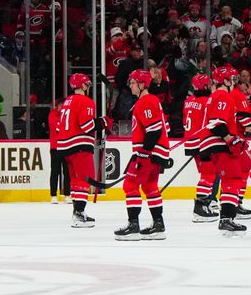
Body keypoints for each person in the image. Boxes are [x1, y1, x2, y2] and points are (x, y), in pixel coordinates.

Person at [114, 69, 171, 240]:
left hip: (149, 153)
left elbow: (154, 129)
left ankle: (133, 226)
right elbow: (164, 128)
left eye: (133, 82)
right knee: (150, 187)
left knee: (130, 185)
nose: (130, 85)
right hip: (156, 152)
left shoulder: (146, 101)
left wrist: (145, 152)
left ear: (142, 84)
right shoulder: (149, 101)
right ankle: (158, 225)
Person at [197, 67, 249, 235]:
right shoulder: (223, 95)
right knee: (233, 180)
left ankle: (226, 218)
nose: (234, 82)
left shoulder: (215, 96)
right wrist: (230, 139)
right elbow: (216, 123)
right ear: (224, 81)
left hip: (209, 145)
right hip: (219, 144)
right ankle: (226, 219)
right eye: (231, 79)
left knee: (227, 180)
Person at [56, 74, 103, 227]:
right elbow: (87, 126)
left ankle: (78, 212)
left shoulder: (67, 102)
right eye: (87, 84)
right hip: (80, 144)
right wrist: (102, 123)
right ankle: (79, 215)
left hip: (64, 146)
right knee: (85, 179)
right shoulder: (86, 101)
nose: (88, 87)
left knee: (75, 181)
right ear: (82, 86)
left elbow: (59, 126)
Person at [228, 67, 251, 218]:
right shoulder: (236, 95)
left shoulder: (239, 95)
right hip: (233, 138)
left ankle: (236, 202)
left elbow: (249, 119)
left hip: (238, 136)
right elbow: (247, 120)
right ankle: (232, 203)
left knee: (243, 168)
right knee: (237, 171)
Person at [183, 73, 217, 223]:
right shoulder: (207, 101)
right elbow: (210, 122)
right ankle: (200, 207)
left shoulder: (189, 101)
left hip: (191, 141)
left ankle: (205, 204)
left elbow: (186, 123)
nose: (210, 86)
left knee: (206, 174)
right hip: (202, 142)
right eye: (208, 84)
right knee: (208, 175)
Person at [47, 101, 70, 204]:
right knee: (55, 171)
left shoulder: (67, 115)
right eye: (61, 105)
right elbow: (60, 128)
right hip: (55, 147)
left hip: (66, 146)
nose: (62, 107)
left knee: (67, 172)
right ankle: (53, 195)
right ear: (58, 106)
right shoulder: (52, 114)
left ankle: (67, 194)